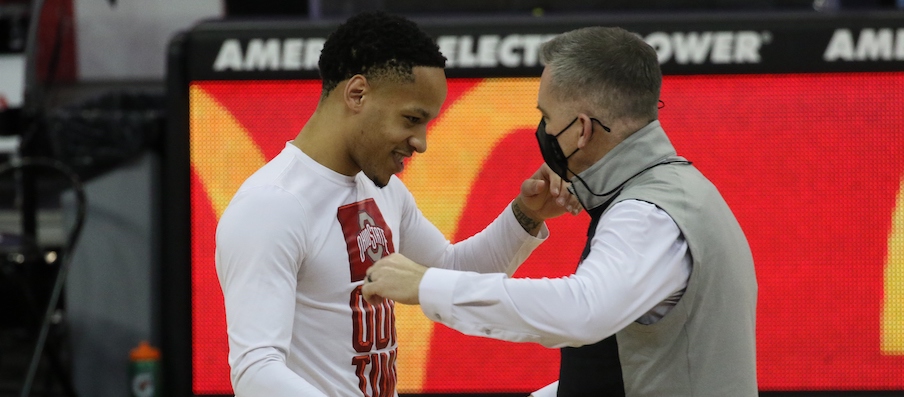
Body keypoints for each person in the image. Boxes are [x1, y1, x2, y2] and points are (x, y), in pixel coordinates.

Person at [363, 26, 758, 397]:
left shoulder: (646, 213)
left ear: (582, 129)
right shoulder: (677, 191)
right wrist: (524, 215)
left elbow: (581, 312)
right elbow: (621, 368)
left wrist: (426, 285)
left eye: (547, 118)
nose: (544, 131)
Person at [214, 11, 579, 397]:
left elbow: (453, 273)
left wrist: (527, 214)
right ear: (357, 94)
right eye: (411, 118)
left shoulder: (381, 188)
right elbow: (255, 373)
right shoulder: (271, 206)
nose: (421, 142)